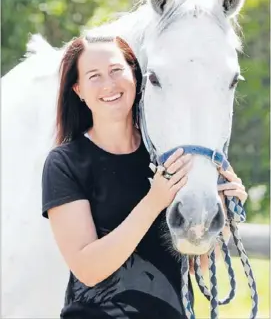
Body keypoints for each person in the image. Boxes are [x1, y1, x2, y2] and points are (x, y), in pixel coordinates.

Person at [42, 35, 248, 319]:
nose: (109, 84)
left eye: (116, 70)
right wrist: (154, 202)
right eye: (94, 76)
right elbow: (88, 270)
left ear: (135, 76)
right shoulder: (65, 163)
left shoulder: (168, 159)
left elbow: (192, 265)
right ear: (78, 90)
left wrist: (225, 214)